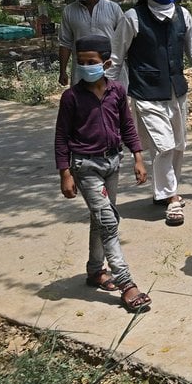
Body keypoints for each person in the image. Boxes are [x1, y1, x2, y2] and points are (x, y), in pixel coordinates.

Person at [107, 0, 192, 227]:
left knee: (179, 146)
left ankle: (164, 190)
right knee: (163, 145)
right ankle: (172, 199)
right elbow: (116, 57)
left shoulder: (183, 16)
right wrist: (105, 93)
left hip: (176, 92)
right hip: (146, 93)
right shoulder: (133, 17)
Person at [54, 35, 152, 312]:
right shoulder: (71, 97)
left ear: (106, 63)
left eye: (92, 62)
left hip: (112, 163)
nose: (86, 66)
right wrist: (65, 172)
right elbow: (62, 137)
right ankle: (127, 284)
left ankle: (95, 270)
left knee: (101, 219)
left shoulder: (117, 92)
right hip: (85, 167)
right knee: (108, 222)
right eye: (81, 62)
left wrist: (138, 157)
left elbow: (127, 125)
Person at [58, 0, 124, 86]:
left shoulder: (113, 8)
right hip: (83, 68)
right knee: (83, 101)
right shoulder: (69, 11)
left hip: (109, 66)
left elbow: (124, 38)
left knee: (111, 98)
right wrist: (62, 71)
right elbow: (65, 43)